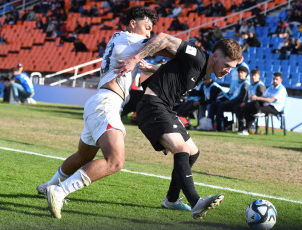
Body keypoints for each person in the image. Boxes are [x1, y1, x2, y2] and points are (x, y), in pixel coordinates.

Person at [37, 6, 158, 219]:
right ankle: (59, 190)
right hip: (107, 104)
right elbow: (164, 44)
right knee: (115, 161)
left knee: (84, 155)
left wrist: (153, 68)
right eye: (147, 27)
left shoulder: (121, 39)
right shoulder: (132, 39)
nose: (149, 33)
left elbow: (145, 62)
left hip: (99, 102)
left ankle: (49, 185)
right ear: (133, 24)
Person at [114, 37, 243, 219]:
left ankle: (172, 200)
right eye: (227, 65)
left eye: (232, 68)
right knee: (181, 148)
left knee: (193, 152)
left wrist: (152, 68)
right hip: (152, 106)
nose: (229, 71)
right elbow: (164, 38)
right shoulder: (197, 56)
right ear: (214, 56)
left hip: (165, 109)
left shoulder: (205, 72)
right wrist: (134, 59)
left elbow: (175, 72)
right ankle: (196, 202)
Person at [215, 66, 249, 131]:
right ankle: (223, 123)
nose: (240, 74)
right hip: (233, 101)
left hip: (238, 102)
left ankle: (219, 127)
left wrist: (229, 102)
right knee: (216, 103)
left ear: (246, 74)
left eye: (242, 72)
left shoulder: (245, 84)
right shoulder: (238, 83)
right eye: (239, 72)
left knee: (221, 105)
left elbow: (241, 97)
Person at [233, 68, 266, 135]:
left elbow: (261, 97)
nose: (253, 77)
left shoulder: (260, 85)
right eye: (252, 76)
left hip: (257, 105)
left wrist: (250, 100)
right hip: (250, 103)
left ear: (258, 76)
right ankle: (242, 127)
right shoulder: (250, 85)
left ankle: (247, 127)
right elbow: (248, 96)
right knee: (237, 107)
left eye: (255, 76)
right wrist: (244, 102)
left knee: (245, 109)